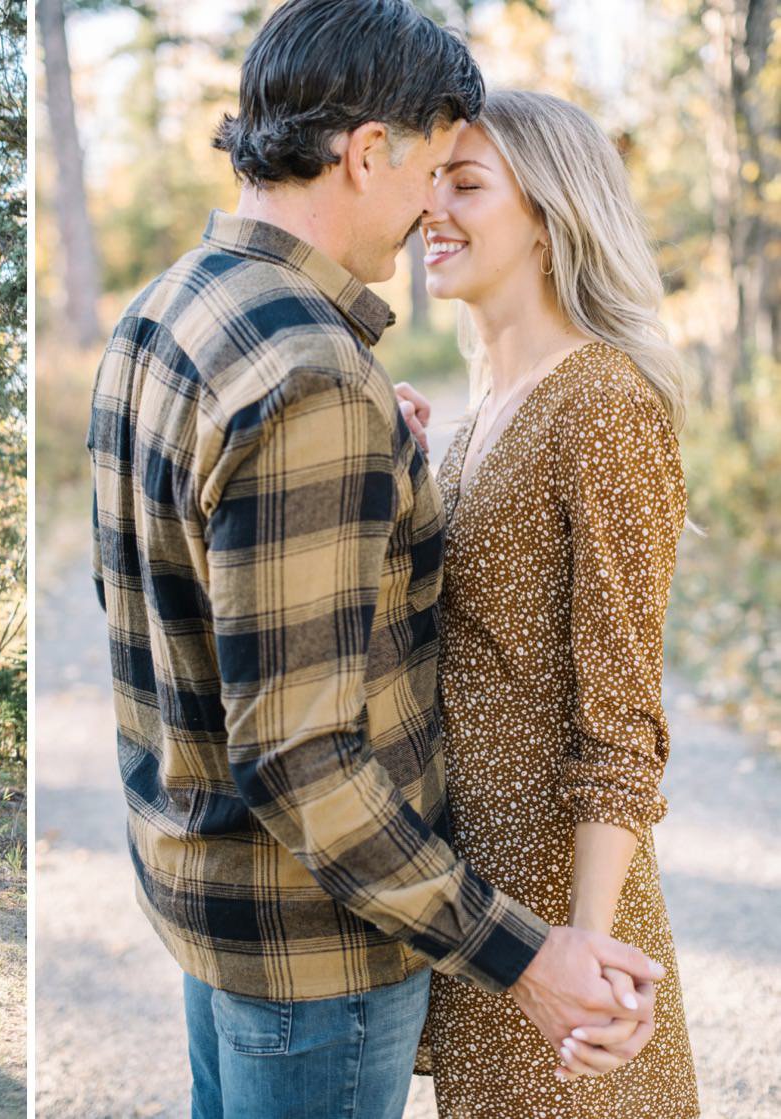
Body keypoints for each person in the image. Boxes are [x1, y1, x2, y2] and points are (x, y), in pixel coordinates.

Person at [85, 2, 662, 1115]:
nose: (426, 209)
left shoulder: (170, 309)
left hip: (215, 908)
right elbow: (303, 755)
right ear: (365, 154)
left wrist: (380, 470)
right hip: (320, 954)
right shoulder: (309, 372)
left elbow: (179, 589)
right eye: (431, 169)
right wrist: (526, 959)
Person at [399, 88, 700, 1116]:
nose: (430, 207)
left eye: (466, 183)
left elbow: (620, 716)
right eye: (429, 182)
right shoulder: (477, 416)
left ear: (549, 210)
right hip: (483, 920)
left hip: (564, 921)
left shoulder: (604, 404)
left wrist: (582, 946)